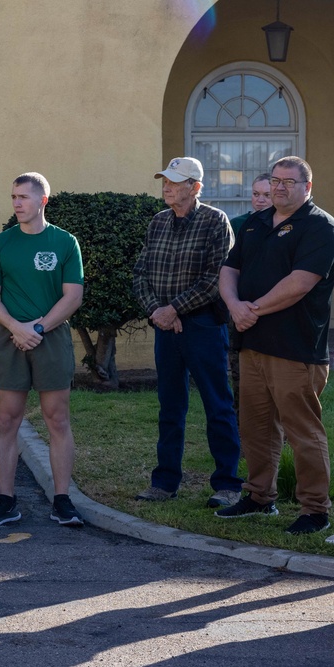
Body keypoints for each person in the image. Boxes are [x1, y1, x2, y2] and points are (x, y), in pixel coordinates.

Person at [217, 156, 334, 535]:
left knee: (303, 432)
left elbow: (300, 283)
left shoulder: (320, 227)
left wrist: (252, 309)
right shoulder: (256, 222)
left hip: (296, 349)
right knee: (255, 427)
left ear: (307, 187)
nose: (280, 187)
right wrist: (235, 306)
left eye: (289, 182)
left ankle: (315, 510)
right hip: (253, 344)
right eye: (276, 181)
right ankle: (258, 497)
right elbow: (229, 269)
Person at [132, 157, 243, 508]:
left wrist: (174, 309)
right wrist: (157, 311)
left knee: (217, 405)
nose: (166, 186)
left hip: (203, 326)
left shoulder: (215, 221)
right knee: (170, 406)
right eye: (164, 179)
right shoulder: (158, 222)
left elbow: (216, 278)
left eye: (175, 181)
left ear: (195, 187)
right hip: (166, 327)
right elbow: (140, 273)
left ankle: (228, 485)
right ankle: (164, 483)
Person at [0, 172, 85, 528]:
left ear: (43, 201)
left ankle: (62, 500)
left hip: (49, 337)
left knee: (57, 418)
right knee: (7, 419)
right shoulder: (1, 244)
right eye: (13, 197)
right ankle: (6, 501)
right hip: (11, 337)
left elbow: (73, 296)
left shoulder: (65, 242)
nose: (17, 203)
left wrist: (38, 328)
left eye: (23, 197)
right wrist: (16, 328)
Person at [225, 174, 271, 417]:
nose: (260, 200)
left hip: (273, 308)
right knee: (240, 368)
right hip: (241, 307)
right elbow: (229, 267)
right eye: (256, 194)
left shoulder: (286, 225)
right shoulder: (238, 224)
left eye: (267, 195)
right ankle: (242, 422)